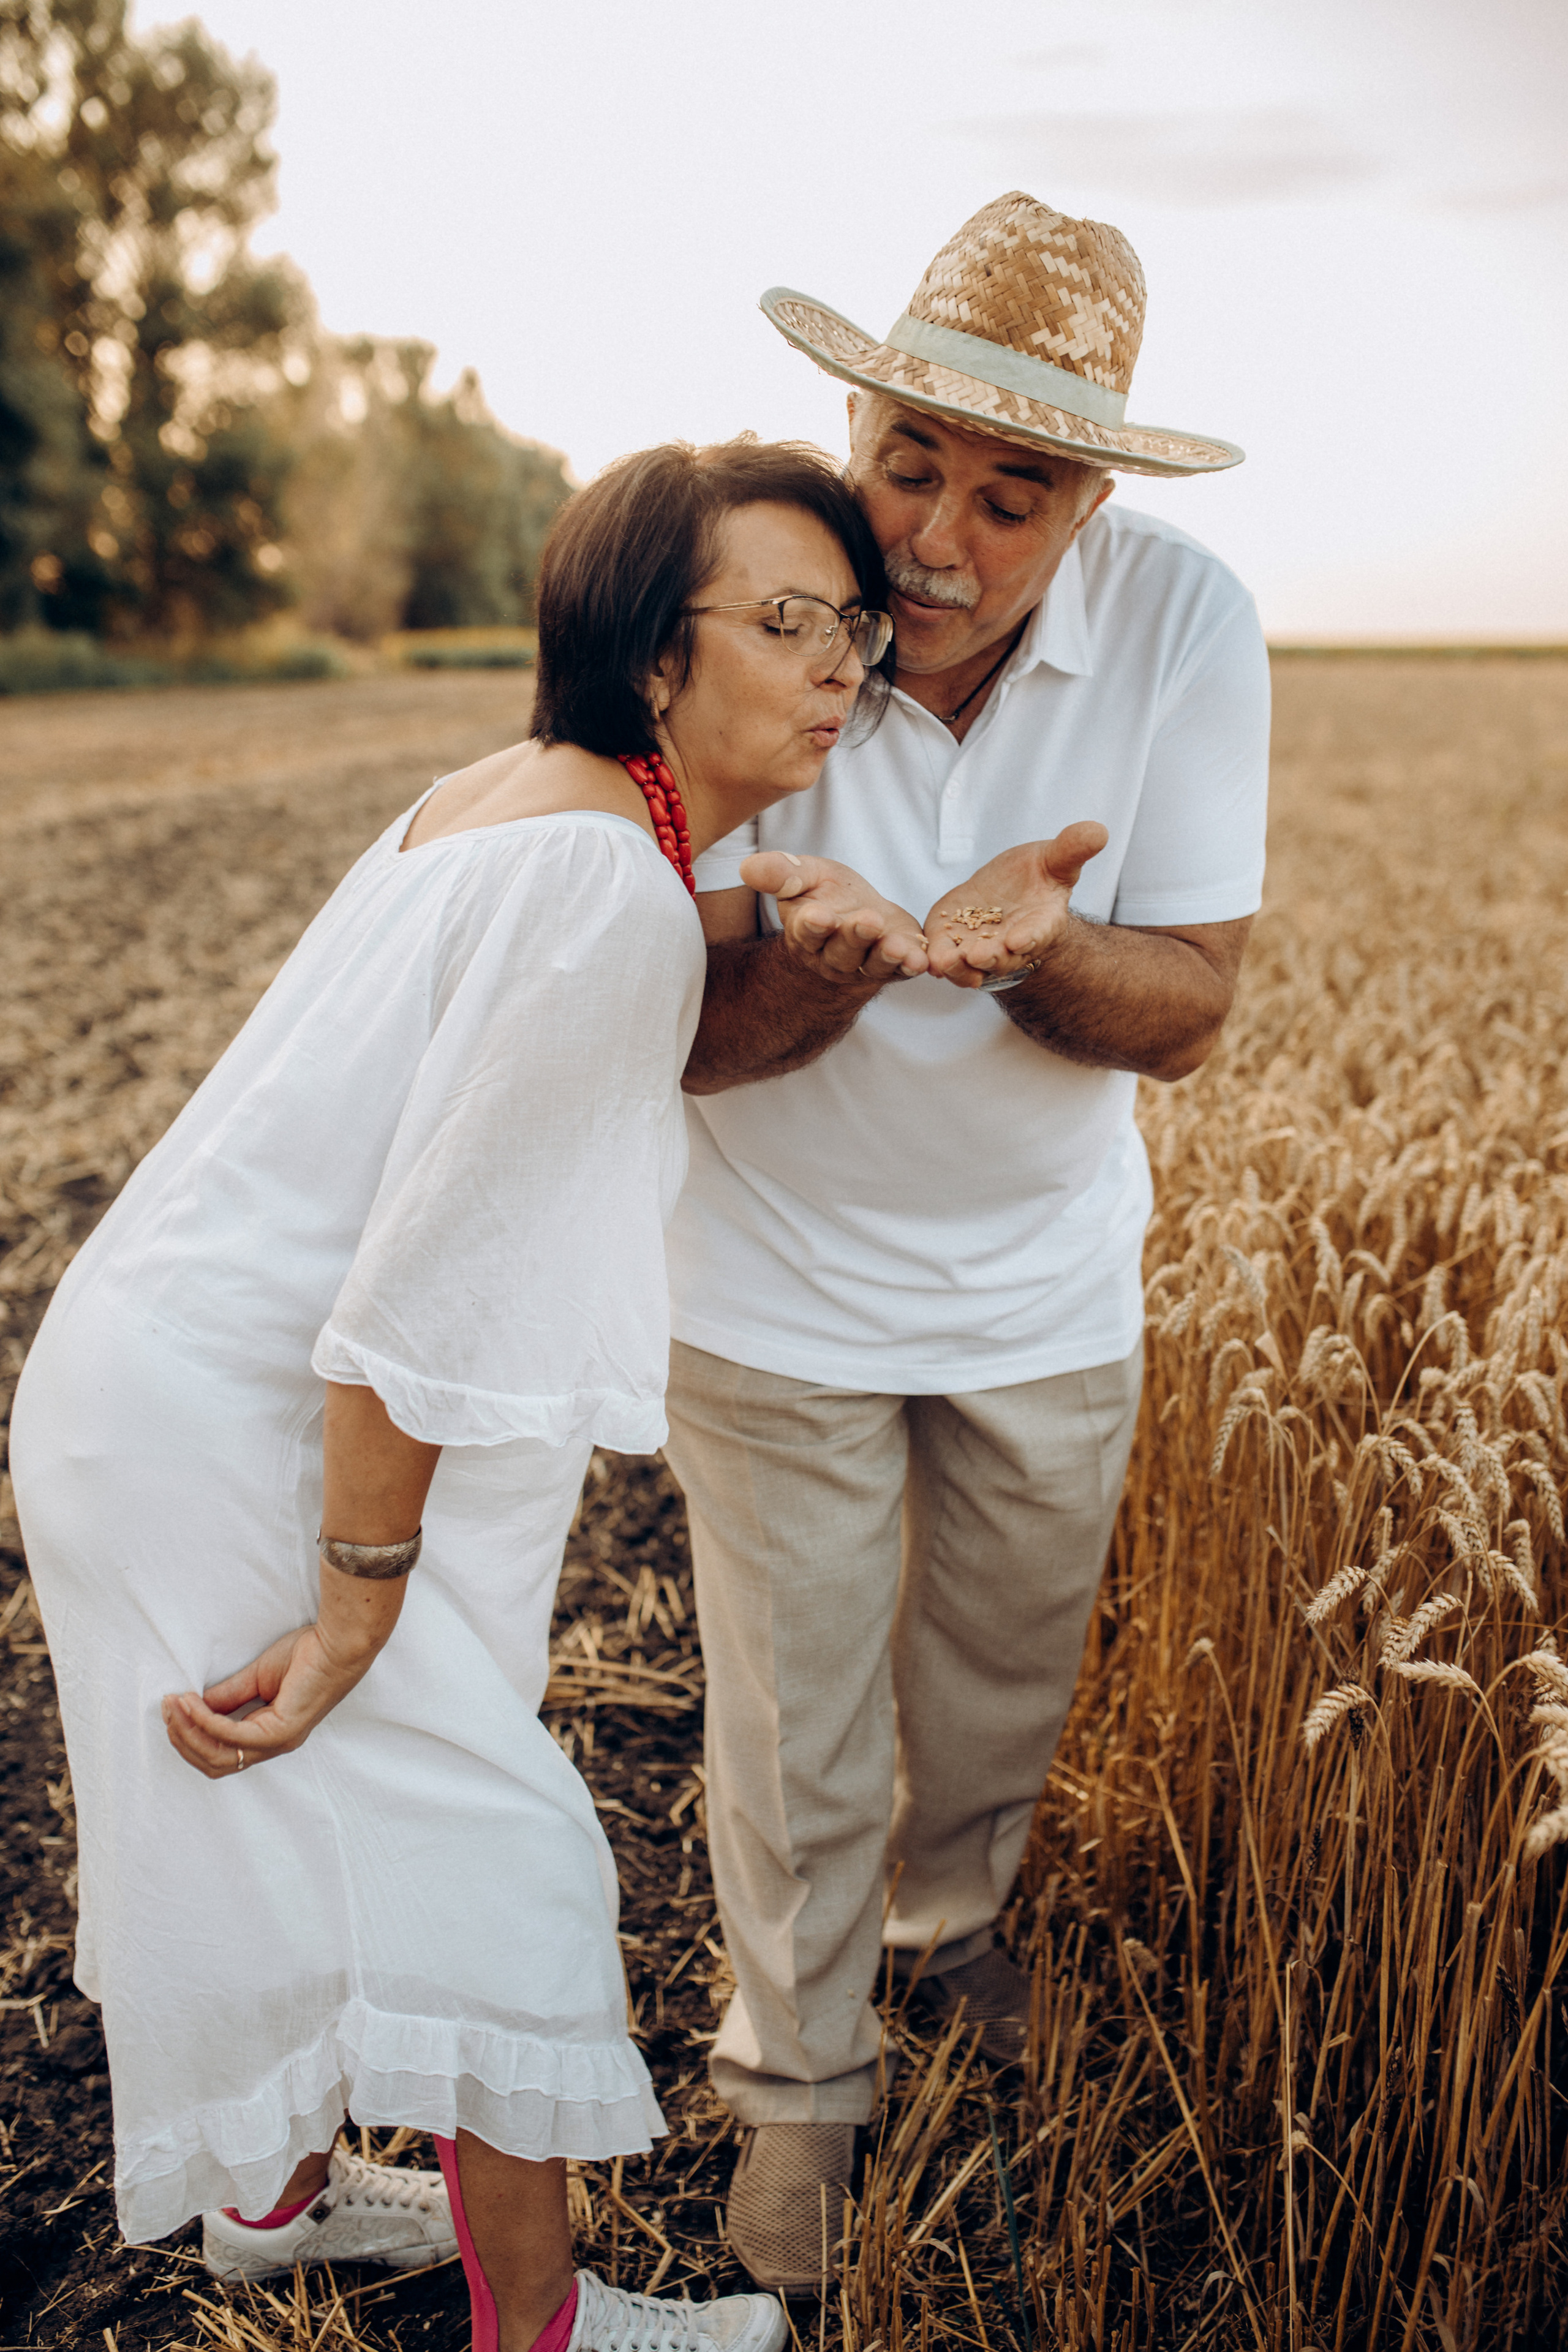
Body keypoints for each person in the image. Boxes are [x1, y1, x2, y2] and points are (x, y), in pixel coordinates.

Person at [8, 436, 894, 2352]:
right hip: (242, 1425)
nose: (842, 665)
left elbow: (590, 935)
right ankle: (546, 2328)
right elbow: (416, 1302)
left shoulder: (522, 803)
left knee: (304, 1800)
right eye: (789, 619)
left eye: (859, 627)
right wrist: (353, 1600)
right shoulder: (606, 890)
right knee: (502, 1858)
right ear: (655, 655)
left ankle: (278, 2202)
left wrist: (761, 920)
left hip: (142, 1385)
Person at [660, 192, 1272, 2293]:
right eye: (907, 458)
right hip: (767, 1283)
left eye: (1011, 496)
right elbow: (666, 1027)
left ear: (1090, 501)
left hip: (1042, 1280)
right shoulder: (732, 596)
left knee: (1001, 1689)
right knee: (796, 1712)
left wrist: (1038, 957)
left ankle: (953, 1932)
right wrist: (815, 979)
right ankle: (800, 2087)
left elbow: (1189, 1005)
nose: (935, 533)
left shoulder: (1190, 625)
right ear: (855, 409)